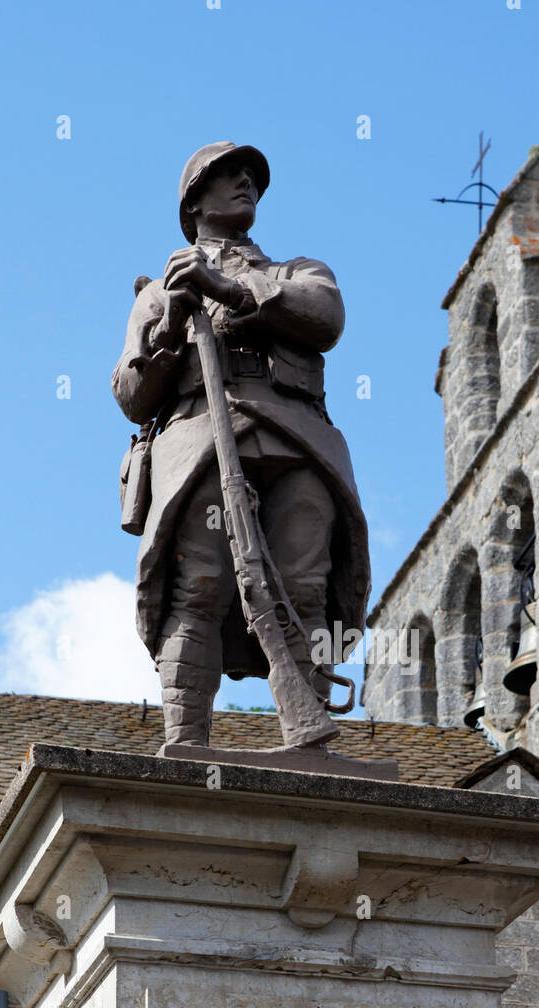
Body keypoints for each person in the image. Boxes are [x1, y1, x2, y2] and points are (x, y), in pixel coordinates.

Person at [112, 142, 369, 746]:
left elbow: (324, 317)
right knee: (199, 584)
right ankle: (186, 740)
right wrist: (169, 326)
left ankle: (309, 732)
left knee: (306, 587)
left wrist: (226, 287)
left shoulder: (298, 271)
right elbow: (129, 395)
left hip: (297, 438)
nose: (245, 183)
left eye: (252, 177)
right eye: (227, 176)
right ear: (194, 200)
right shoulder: (157, 292)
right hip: (203, 437)